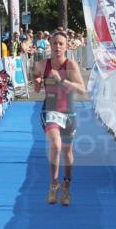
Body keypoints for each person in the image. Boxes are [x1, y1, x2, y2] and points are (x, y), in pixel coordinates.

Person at [33, 30, 86, 206]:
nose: (57, 47)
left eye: (61, 43)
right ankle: (53, 183)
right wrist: (38, 82)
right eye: (54, 43)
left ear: (66, 46)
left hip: (68, 113)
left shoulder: (70, 65)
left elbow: (82, 90)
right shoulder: (41, 64)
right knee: (55, 145)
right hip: (50, 111)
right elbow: (36, 88)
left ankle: (67, 185)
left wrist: (62, 81)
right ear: (50, 44)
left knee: (67, 152)